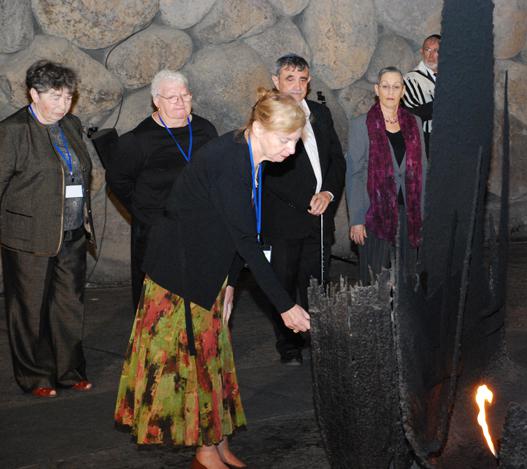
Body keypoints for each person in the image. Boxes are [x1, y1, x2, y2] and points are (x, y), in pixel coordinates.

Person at [114, 88, 311, 469]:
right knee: (194, 363)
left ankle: (216, 442)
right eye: (285, 140)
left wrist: (232, 282)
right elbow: (245, 239)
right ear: (257, 126)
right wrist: (285, 305)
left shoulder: (248, 154)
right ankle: (205, 451)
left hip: (211, 267)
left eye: (295, 141)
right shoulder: (228, 160)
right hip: (182, 274)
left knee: (214, 359)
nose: (291, 151)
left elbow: (236, 230)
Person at [0, 60, 96, 398]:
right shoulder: (12, 130)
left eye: (68, 97)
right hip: (28, 237)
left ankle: (69, 371)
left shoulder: (71, 124)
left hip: (71, 232)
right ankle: (35, 377)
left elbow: (81, 171)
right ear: (33, 94)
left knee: (69, 305)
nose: (62, 105)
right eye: (55, 97)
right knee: (29, 309)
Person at [105, 70, 218, 311]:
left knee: (199, 296)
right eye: (172, 97)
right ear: (156, 101)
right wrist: (146, 212)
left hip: (200, 227)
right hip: (157, 230)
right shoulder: (138, 140)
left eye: (185, 95)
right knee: (160, 303)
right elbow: (117, 179)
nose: (180, 101)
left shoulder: (206, 130)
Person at [264, 53, 345, 365]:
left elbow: (337, 159)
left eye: (302, 80)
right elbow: (266, 170)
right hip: (284, 219)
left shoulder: (320, 113)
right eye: (289, 79)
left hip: (320, 218)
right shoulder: (267, 114)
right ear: (276, 82)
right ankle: (288, 345)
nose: (297, 86)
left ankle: (317, 337)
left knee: (317, 282)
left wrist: (328, 192)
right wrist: (305, 200)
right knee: (283, 283)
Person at [346, 67, 428, 284]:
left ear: (403, 91)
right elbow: (355, 174)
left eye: (396, 86)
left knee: (408, 278)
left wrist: (424, 213)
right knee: (375, 280)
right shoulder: (361, 125)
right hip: (375, 215)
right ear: (377, 89)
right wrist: (356, 219)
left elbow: (423, 169)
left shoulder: (415, 123)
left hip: (409, 213)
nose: (390, 91)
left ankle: (404, 318)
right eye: (385, 86)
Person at [403, 34, 440, 152]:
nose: (431, 55)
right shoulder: (410, 80)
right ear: (421, 52)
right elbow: (411, 114)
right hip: (425, 143)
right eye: (427, 50)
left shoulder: (453, 79)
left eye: (436, 51)